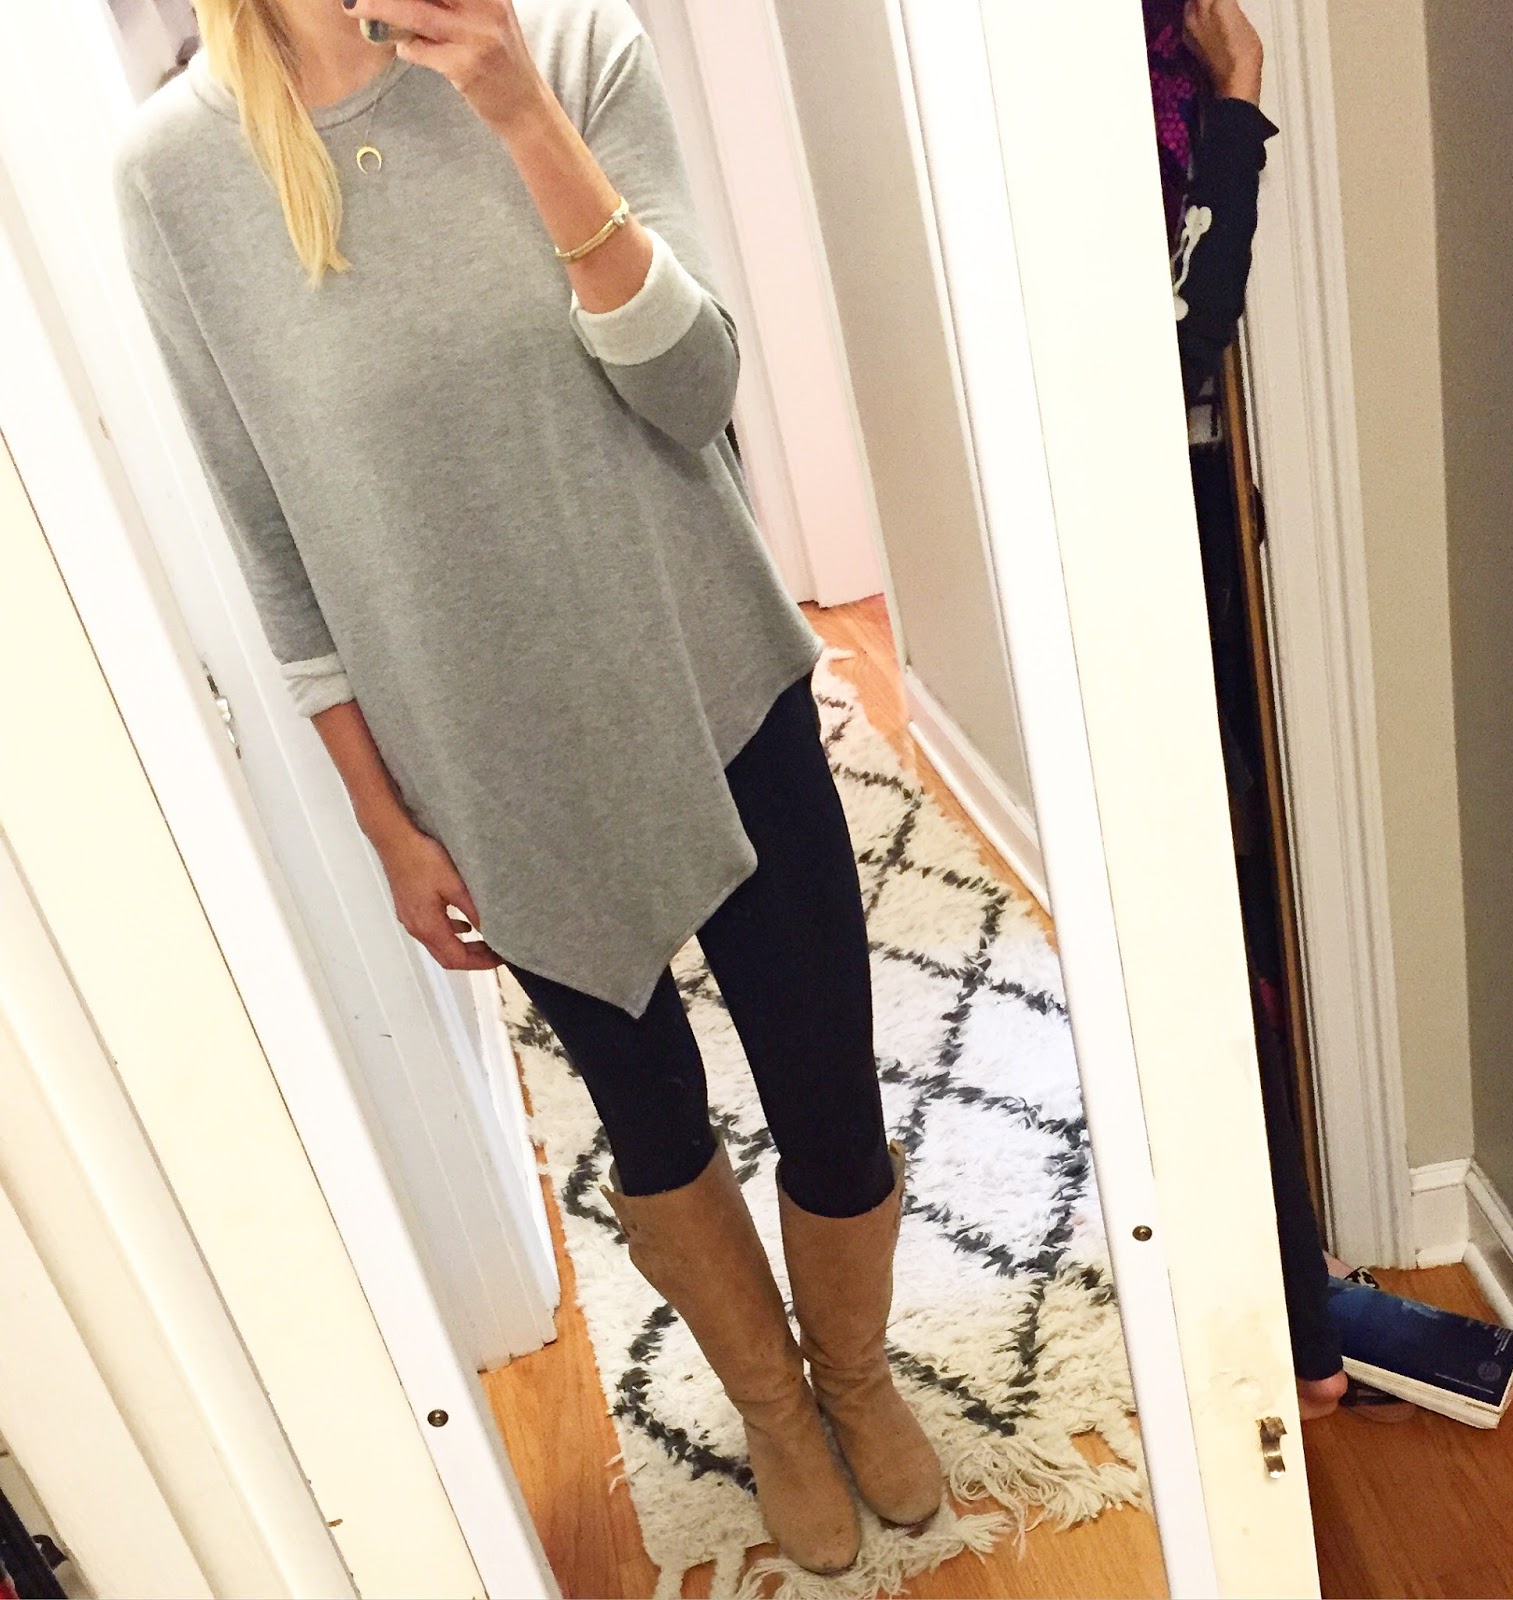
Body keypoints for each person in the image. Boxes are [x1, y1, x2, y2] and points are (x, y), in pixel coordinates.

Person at [115, 0, 944, 1572]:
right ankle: (776, 1411)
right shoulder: (173, 177)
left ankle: (855, 1374)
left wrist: (519, 113)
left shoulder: (566, 45)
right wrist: (383, 821)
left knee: (832, 1099)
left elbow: (694, 389)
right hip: (489, 760)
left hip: (711, 681)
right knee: (652, 1123)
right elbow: (273, 545)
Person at [1146, 0, 1354, 1422]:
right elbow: (1177, 338)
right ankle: (1287, 1310)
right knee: (1209, 932)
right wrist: (1240, 101)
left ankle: (1296, 1281)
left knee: (1252, 909)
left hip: (1208, 521)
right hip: (1141, 544)